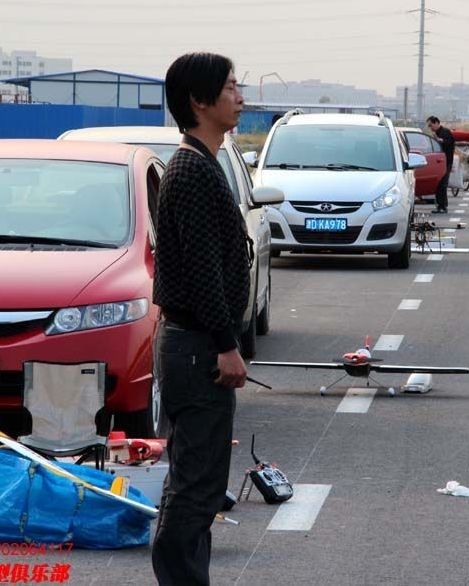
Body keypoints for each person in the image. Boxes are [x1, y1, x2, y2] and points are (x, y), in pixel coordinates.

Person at [151, 52, 251, 585]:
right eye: (231, 87)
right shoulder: (190, 170)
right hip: (196, 347)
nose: (241, 96)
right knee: (195, 487)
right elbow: (203, 271)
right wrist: (225, 343)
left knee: (204, 483)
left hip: (197, 343)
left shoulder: (203, 162)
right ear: (199, 100)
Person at [427, 116, 455, 213]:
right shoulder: (436, 133)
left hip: (446, 162)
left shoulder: (446, 132)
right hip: (437, 162)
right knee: (438, 185)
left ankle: (443, 206)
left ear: (436, 123)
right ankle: (440, 205)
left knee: (443, 184)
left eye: (431, 125)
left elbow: (449, 142)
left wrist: (439, 140)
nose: (430, 128)